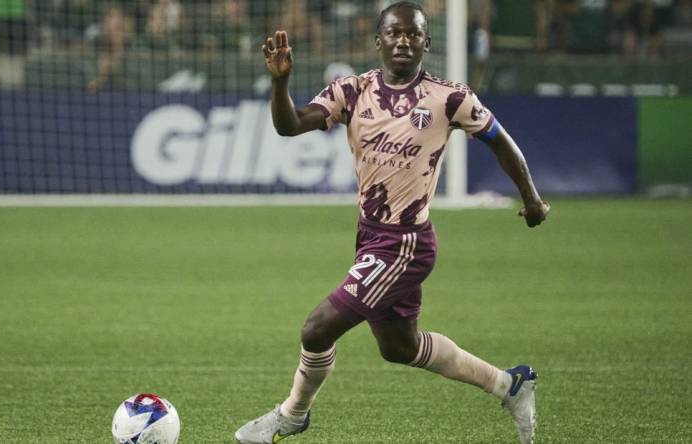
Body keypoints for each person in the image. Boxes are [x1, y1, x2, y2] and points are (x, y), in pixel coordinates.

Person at [234, 2, 549, 444]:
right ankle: (509, 385)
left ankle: (292, 414)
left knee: (316, 328)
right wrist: (280, 81)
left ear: (426, 42)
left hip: (405, 244)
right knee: (400, 347)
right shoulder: (352, 91)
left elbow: (500, 141)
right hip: (370, 236)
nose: (404, 40)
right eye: (395, 33)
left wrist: (531, 199)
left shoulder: (449, 98)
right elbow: (290, 125)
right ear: (378, 40)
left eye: (413, 34)